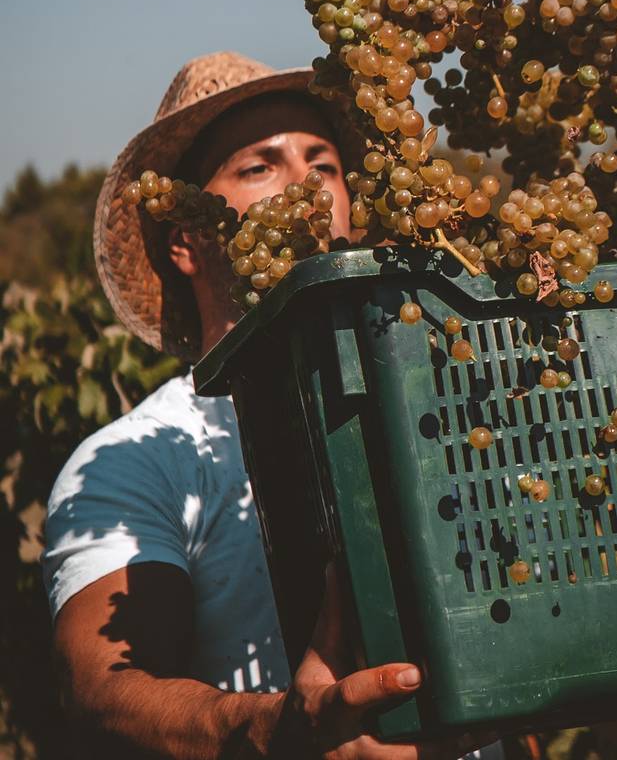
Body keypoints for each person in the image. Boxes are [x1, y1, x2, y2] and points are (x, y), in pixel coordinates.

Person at [43, 51, 496, 759]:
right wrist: (278, 729)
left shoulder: (446, 404)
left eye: (324, 164)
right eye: (260, 166)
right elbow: (100, 692)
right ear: (187, 240)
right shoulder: (141, 457)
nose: (307, 187)